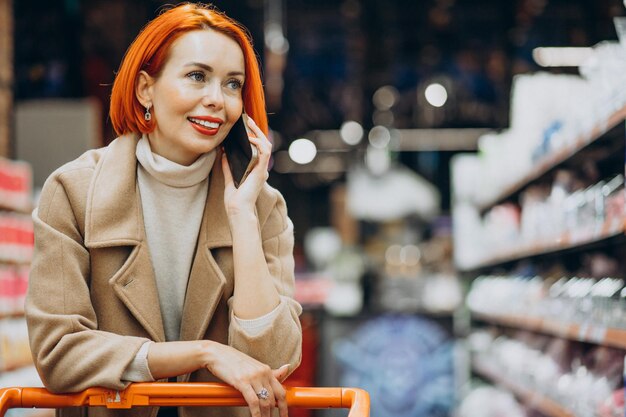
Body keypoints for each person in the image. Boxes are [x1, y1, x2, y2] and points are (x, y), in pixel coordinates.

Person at [24, 4, 303, 417]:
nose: (217, 100)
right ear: (144, 89)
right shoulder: (73, 191)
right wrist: (203, 354)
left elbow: (274, 360)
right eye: (197, 76)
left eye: (232, 84)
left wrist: (242, 217)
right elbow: (58, 353)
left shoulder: (263, 207)